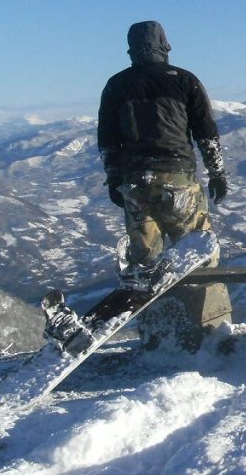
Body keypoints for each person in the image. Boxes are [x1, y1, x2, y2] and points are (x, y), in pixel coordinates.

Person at [98, 20, 231, 347]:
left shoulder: (116, 86)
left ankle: (157, 336)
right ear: (165, 45)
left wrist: (115, 180)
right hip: (177, 180)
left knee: (146, 263)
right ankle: (209, 334)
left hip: (135, 183)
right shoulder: (185, 81)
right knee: (198, 253)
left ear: (130, 48)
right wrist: (217, 173)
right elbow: (206, 135)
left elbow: (107, 141)